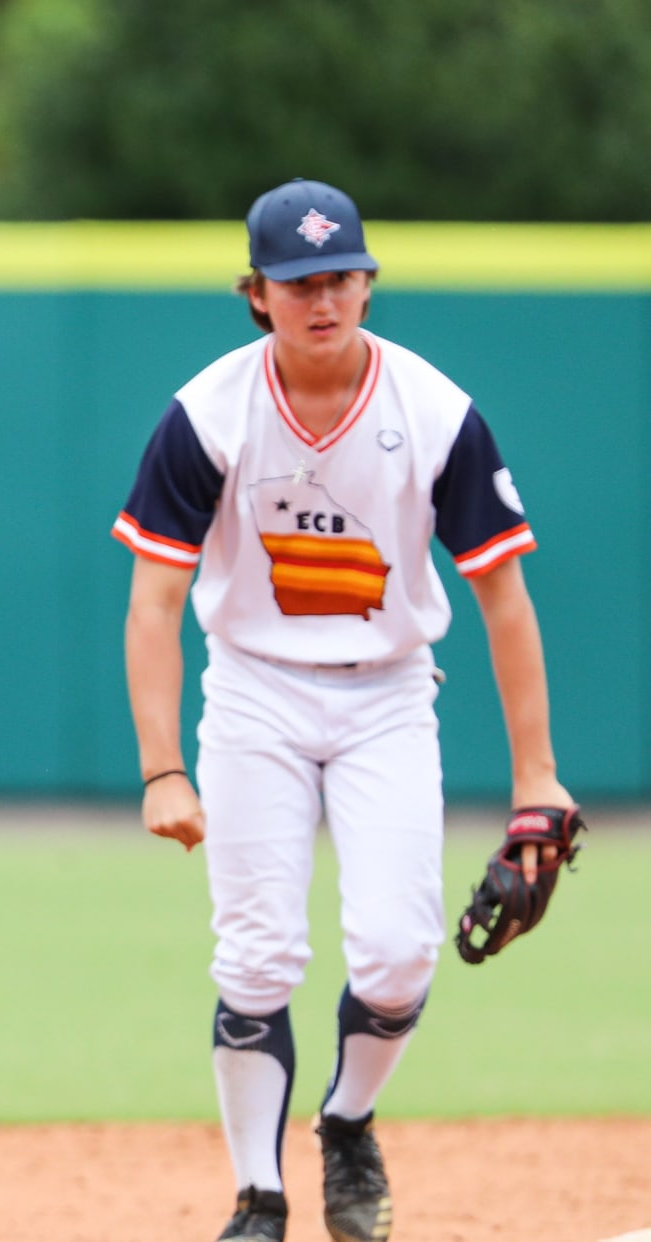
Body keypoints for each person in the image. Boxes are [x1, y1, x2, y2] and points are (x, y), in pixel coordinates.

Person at [112, 179, 571, 1242]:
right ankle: (257, 1196)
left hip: (388, 695)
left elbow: (503, 597)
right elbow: (155, 599)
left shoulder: (435, 411)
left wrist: (537, 775)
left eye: (341, 277)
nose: (323, 298)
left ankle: (348, 1122)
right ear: (256, 296)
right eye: (298, 282)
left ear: (367, 283)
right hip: (256, 695)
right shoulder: (209, 413)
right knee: (258, 955)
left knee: (401, 951)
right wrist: (159, 766)